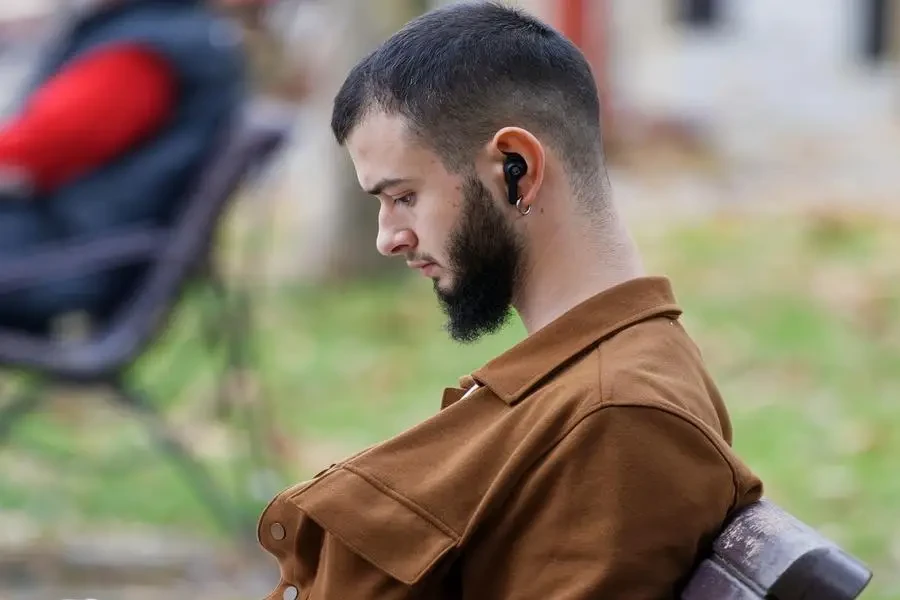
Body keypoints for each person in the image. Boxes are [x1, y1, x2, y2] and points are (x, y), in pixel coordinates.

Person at [258, 3, 763, 598]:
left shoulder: (617, 417)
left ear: (514, 169)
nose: (388, 238)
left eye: (403, 196)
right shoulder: (587, 381)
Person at [0, 0, 245, 332]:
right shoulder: (171, 31)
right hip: (72, 248)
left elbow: (32, 146)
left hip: (66, 261)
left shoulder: (141, 54)